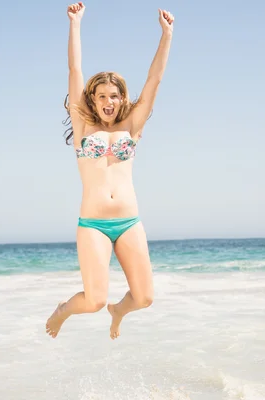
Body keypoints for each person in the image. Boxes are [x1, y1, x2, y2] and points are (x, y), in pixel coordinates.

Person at [46, 2, 174, 340]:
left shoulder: (133, 126)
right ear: (92, 98)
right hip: (94, 224)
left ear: (121, 99)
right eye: (101, 95)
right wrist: (75, 24)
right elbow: (75, 70)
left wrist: (167, 35)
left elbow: (155, 79)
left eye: (114, 95)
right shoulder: (83, 125)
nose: (108, 100)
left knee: (145, 298)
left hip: (130, 221)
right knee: (93, 300)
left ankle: (119, 311)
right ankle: (63, 310)